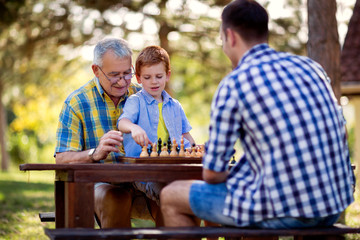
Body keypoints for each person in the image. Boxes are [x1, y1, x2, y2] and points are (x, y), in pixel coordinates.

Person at [160, 0, 355, 231]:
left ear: (230, 37)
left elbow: (212, 174)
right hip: (334, 203)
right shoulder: (311, 67)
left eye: (222, 40)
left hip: (286, 208)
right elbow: (340, 132)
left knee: (171, 195)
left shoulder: (234, 83)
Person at [55, 38, 160, 228]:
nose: (122, 82)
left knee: (173, 198)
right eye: (114, 75)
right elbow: (61, 158)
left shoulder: (144, 95)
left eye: (127, 73)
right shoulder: (77, 103)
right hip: (97, 185)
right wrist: (94, 153)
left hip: (141, 183)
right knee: (116, 198)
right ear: (96, 70)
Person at [117, 45, 195, 206]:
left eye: (159, 76)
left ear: (167, 76)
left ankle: (205, 231)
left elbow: (185, 135)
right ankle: (179, 230)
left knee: (201, 190)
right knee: (169, 193)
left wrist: (196, 150)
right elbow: (122, 123)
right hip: (145, 173)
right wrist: (134, 128)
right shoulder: (135, 101)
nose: (154, 81)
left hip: (173, 170)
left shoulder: (175, 105)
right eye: (147, 77)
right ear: (138, 78)